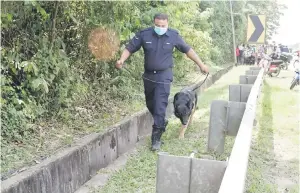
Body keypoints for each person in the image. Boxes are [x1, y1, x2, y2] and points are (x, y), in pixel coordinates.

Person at [115, 13, 209, 151]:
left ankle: (156, 139)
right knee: (150, 104)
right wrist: (121, 60)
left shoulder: (173, 36)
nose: (160, 28)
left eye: (163, 26)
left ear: (167, 24)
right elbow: (130, 47)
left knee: (160, 106)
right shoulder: (144, 34)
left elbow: (188, 50)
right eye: (157, 25)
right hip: (148, 76)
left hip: (164, 76)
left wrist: (201, 65)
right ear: (154, 23)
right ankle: (161, 122)